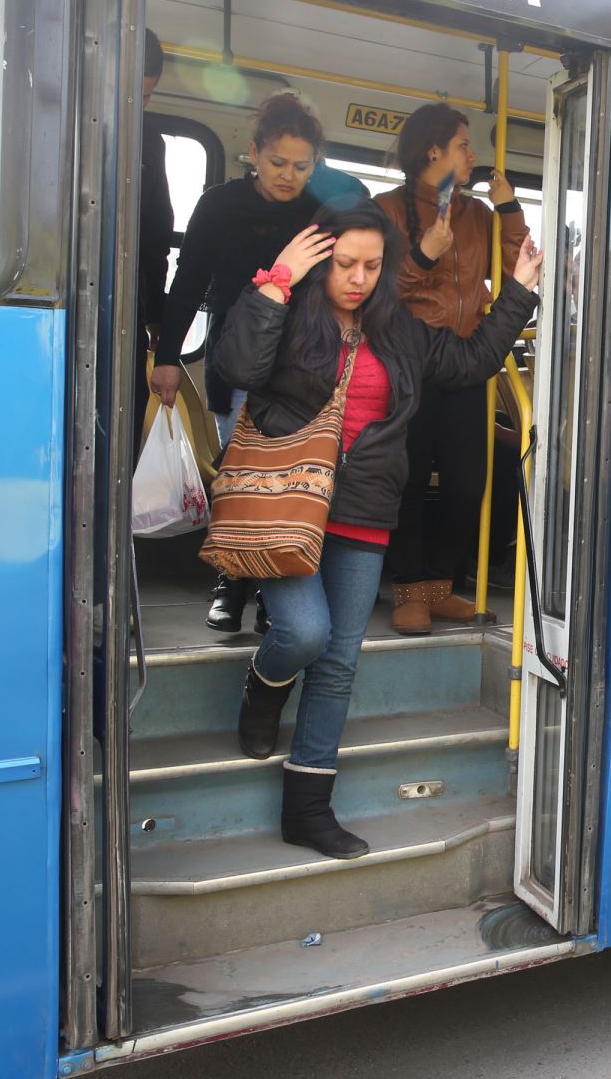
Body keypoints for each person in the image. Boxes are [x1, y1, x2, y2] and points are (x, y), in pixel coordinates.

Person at [211, 199, 541, 859]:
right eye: (343, 265)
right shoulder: (288, 313)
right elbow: (237, 369)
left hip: (364, 508)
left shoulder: (401, 331)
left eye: (371, 265)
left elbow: (471, 363)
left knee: (338, 664)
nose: (357, 277)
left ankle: (308, 808)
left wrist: (520, 294)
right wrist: (275, 282)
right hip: (286, 503)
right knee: (305, 633)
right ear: (318, 262)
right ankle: (264, 682)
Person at [150, 91, 363, 634]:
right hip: (237, 359)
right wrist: (169, 356)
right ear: (253, 153)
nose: (288, 175)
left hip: (301, 366)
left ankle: (276, 589)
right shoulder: (220, 206)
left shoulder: (319, 213)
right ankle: (231, 580)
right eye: (276, 163)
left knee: (292, 481)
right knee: (237, 476)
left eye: (301, 165)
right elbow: (189, 281)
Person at [375, 103, 529, 634]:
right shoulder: (388, 210)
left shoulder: (478, 215)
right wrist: (423, 253)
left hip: (466, 358)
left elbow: (514, 270)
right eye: (464, 144)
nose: (474, 155)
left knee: (469, 483)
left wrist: (508, 210)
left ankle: (440, 586)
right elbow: (377, 294)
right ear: (432, 150)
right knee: (409, 480)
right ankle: (410, 590)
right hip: (408, 361)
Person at [134, 28, 175, 450]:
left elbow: (158, 233)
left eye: (145, 99)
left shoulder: (150, 142)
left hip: (132, 308)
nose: (137, 108)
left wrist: (156, 316)